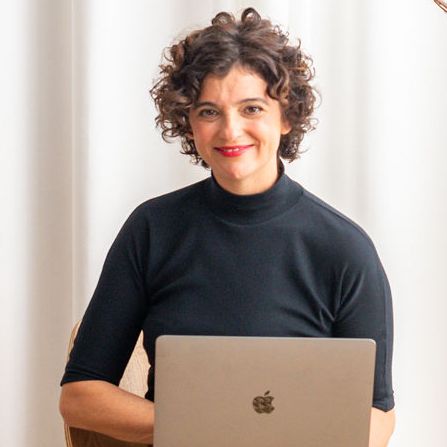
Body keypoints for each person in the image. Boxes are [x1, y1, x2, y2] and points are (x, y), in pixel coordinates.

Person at [59, 7, 395, 446]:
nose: (231, 131)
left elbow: (377, 414)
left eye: (252, 108)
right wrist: (205, 424)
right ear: (189, 123)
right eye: (209, 112)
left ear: (286, 116)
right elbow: (80, 396)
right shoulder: (152, 229)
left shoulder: (344, 248)